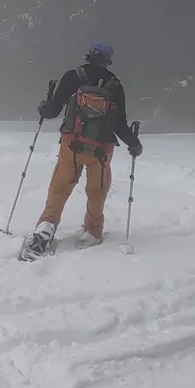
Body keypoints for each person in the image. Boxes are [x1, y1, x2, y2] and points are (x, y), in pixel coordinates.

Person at [24, 41, 141, 254]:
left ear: (88, 56)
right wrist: (134, 144)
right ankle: (92, 231)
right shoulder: (114, 85)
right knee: (97, 191)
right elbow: (121, 125)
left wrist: (44, 107)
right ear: (108, 60)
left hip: (72, 145)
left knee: (60, 187)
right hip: (102, 150)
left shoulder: (73, 77)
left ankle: (47, 225)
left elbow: (52, 111)